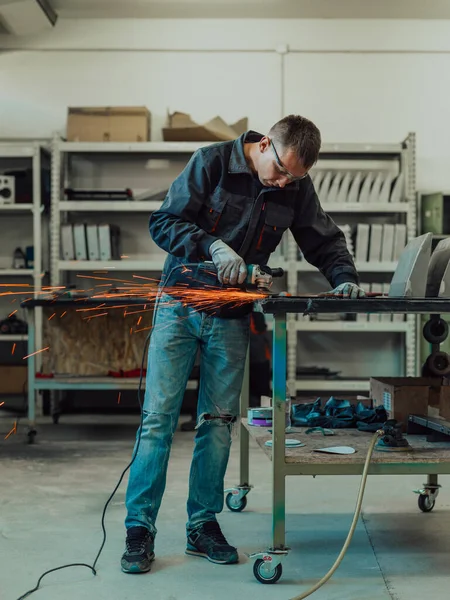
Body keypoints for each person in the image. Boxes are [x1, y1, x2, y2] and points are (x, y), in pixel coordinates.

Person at [121, 115, 365, 574]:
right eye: (283, 171)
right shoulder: (210, 163)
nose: (286, 182)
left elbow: (322, 238)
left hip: (231, 316)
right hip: (179, 306)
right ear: (265, 143)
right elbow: (163, 222)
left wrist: (345, 279)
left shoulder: (295, 183)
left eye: (297, 177)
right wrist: (212, 246)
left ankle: (202, 524)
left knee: (217, 422)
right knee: (158, 420)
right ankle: (139, 529)